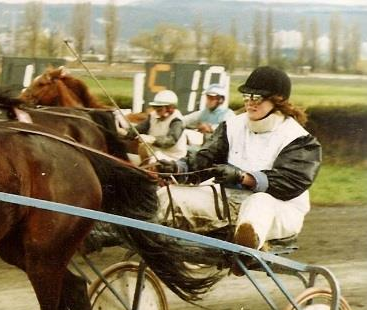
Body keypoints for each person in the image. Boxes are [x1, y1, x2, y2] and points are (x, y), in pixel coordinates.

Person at [156, 66, 321, 256]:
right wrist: (178, 167)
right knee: (168, 195)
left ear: (279, 101)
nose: (250, 102)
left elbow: (291, 182)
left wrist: (243, 177)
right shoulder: (232, 125)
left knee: (259, 202)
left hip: (278, 211)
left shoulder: (299, 139)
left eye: (257, 98)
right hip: (229, 203)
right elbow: (206, 158)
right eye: (247, 96)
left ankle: (246, 250)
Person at [120, 89, 188, 165]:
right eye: (155, 108)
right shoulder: (153, 116)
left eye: (160, 109)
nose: (156, 111)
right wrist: (123, 132)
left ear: (170, 109)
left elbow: (170, 140)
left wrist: (152, 139)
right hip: (154, 155)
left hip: (173, 159)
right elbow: (138, 130)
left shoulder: (177, 121)